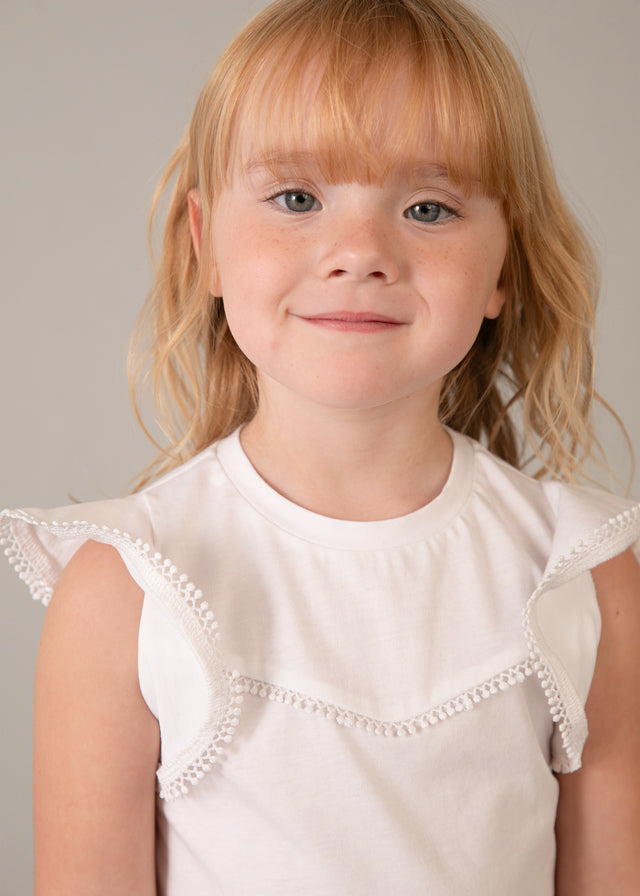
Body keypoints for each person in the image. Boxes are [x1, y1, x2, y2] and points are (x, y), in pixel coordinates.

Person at [2, 0, 639, 892]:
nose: (360, 252)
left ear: (504, 266)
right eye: (297, 199)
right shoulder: (129, 590)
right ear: (206, 245)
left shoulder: (579, 577)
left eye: (428, 207)